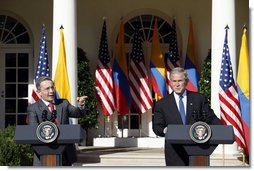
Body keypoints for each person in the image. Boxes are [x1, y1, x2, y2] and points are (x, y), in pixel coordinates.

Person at [152, 67, 222, 166]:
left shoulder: (199, 99)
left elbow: (211, 118)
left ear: (186, 81)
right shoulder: (162, 104)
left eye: (180, 81)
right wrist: (166, 130)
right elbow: (157, 127)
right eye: (174, 81)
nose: (177, 84)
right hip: (175, 152)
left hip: (198, 150)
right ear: (170, 82)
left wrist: (222, 129)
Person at [27, 76, 87, 166]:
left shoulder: (63, 103)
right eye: (47, 89)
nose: (51, 91)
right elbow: (33, 130)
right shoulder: (33, 108)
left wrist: (81, 106)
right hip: (43, 155)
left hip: (65, 154)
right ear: (39, 92)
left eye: (52, 87)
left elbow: (78, 113)